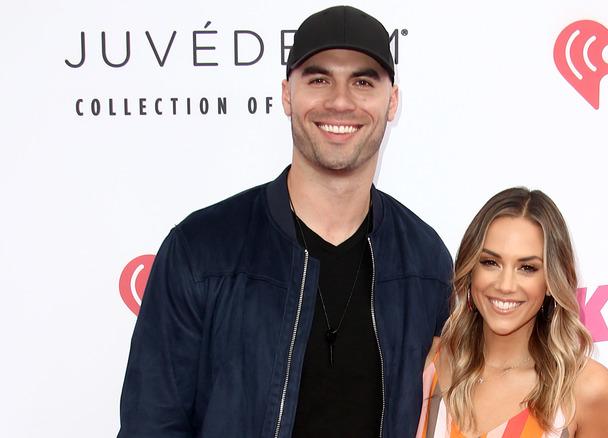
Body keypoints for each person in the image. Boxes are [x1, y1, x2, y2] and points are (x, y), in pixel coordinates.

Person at [118, 6, 452, 438]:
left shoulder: (425, 263)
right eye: (319, 79)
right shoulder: (201, 252)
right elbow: (152, 425)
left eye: (363, 81)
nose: (340, 101)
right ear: (287, 94)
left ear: (392, 102)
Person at [417, 188, 608, 438]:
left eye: (527, 267)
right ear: (470, 271)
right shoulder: (426, 362)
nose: (505, 285)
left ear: (550, 282)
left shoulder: (586, 389)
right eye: (490, 262)